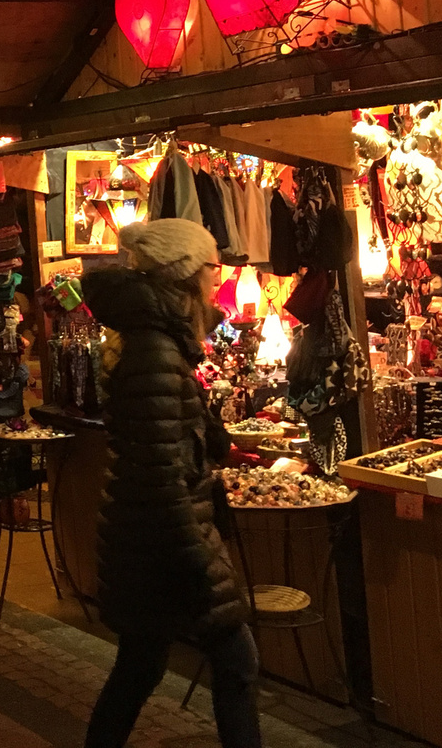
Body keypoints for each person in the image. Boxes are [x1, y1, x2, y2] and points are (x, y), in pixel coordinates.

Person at [81, 220, 260, 748]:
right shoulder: (154, 350)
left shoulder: (155, 341)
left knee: (139, 667)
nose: (217, 283)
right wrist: (201, 559)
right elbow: (160, 474)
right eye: (213, 270)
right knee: (238, 660)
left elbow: (166, 437)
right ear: (187, 277)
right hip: (163, 543)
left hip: (143, 539)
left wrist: (215, 439)